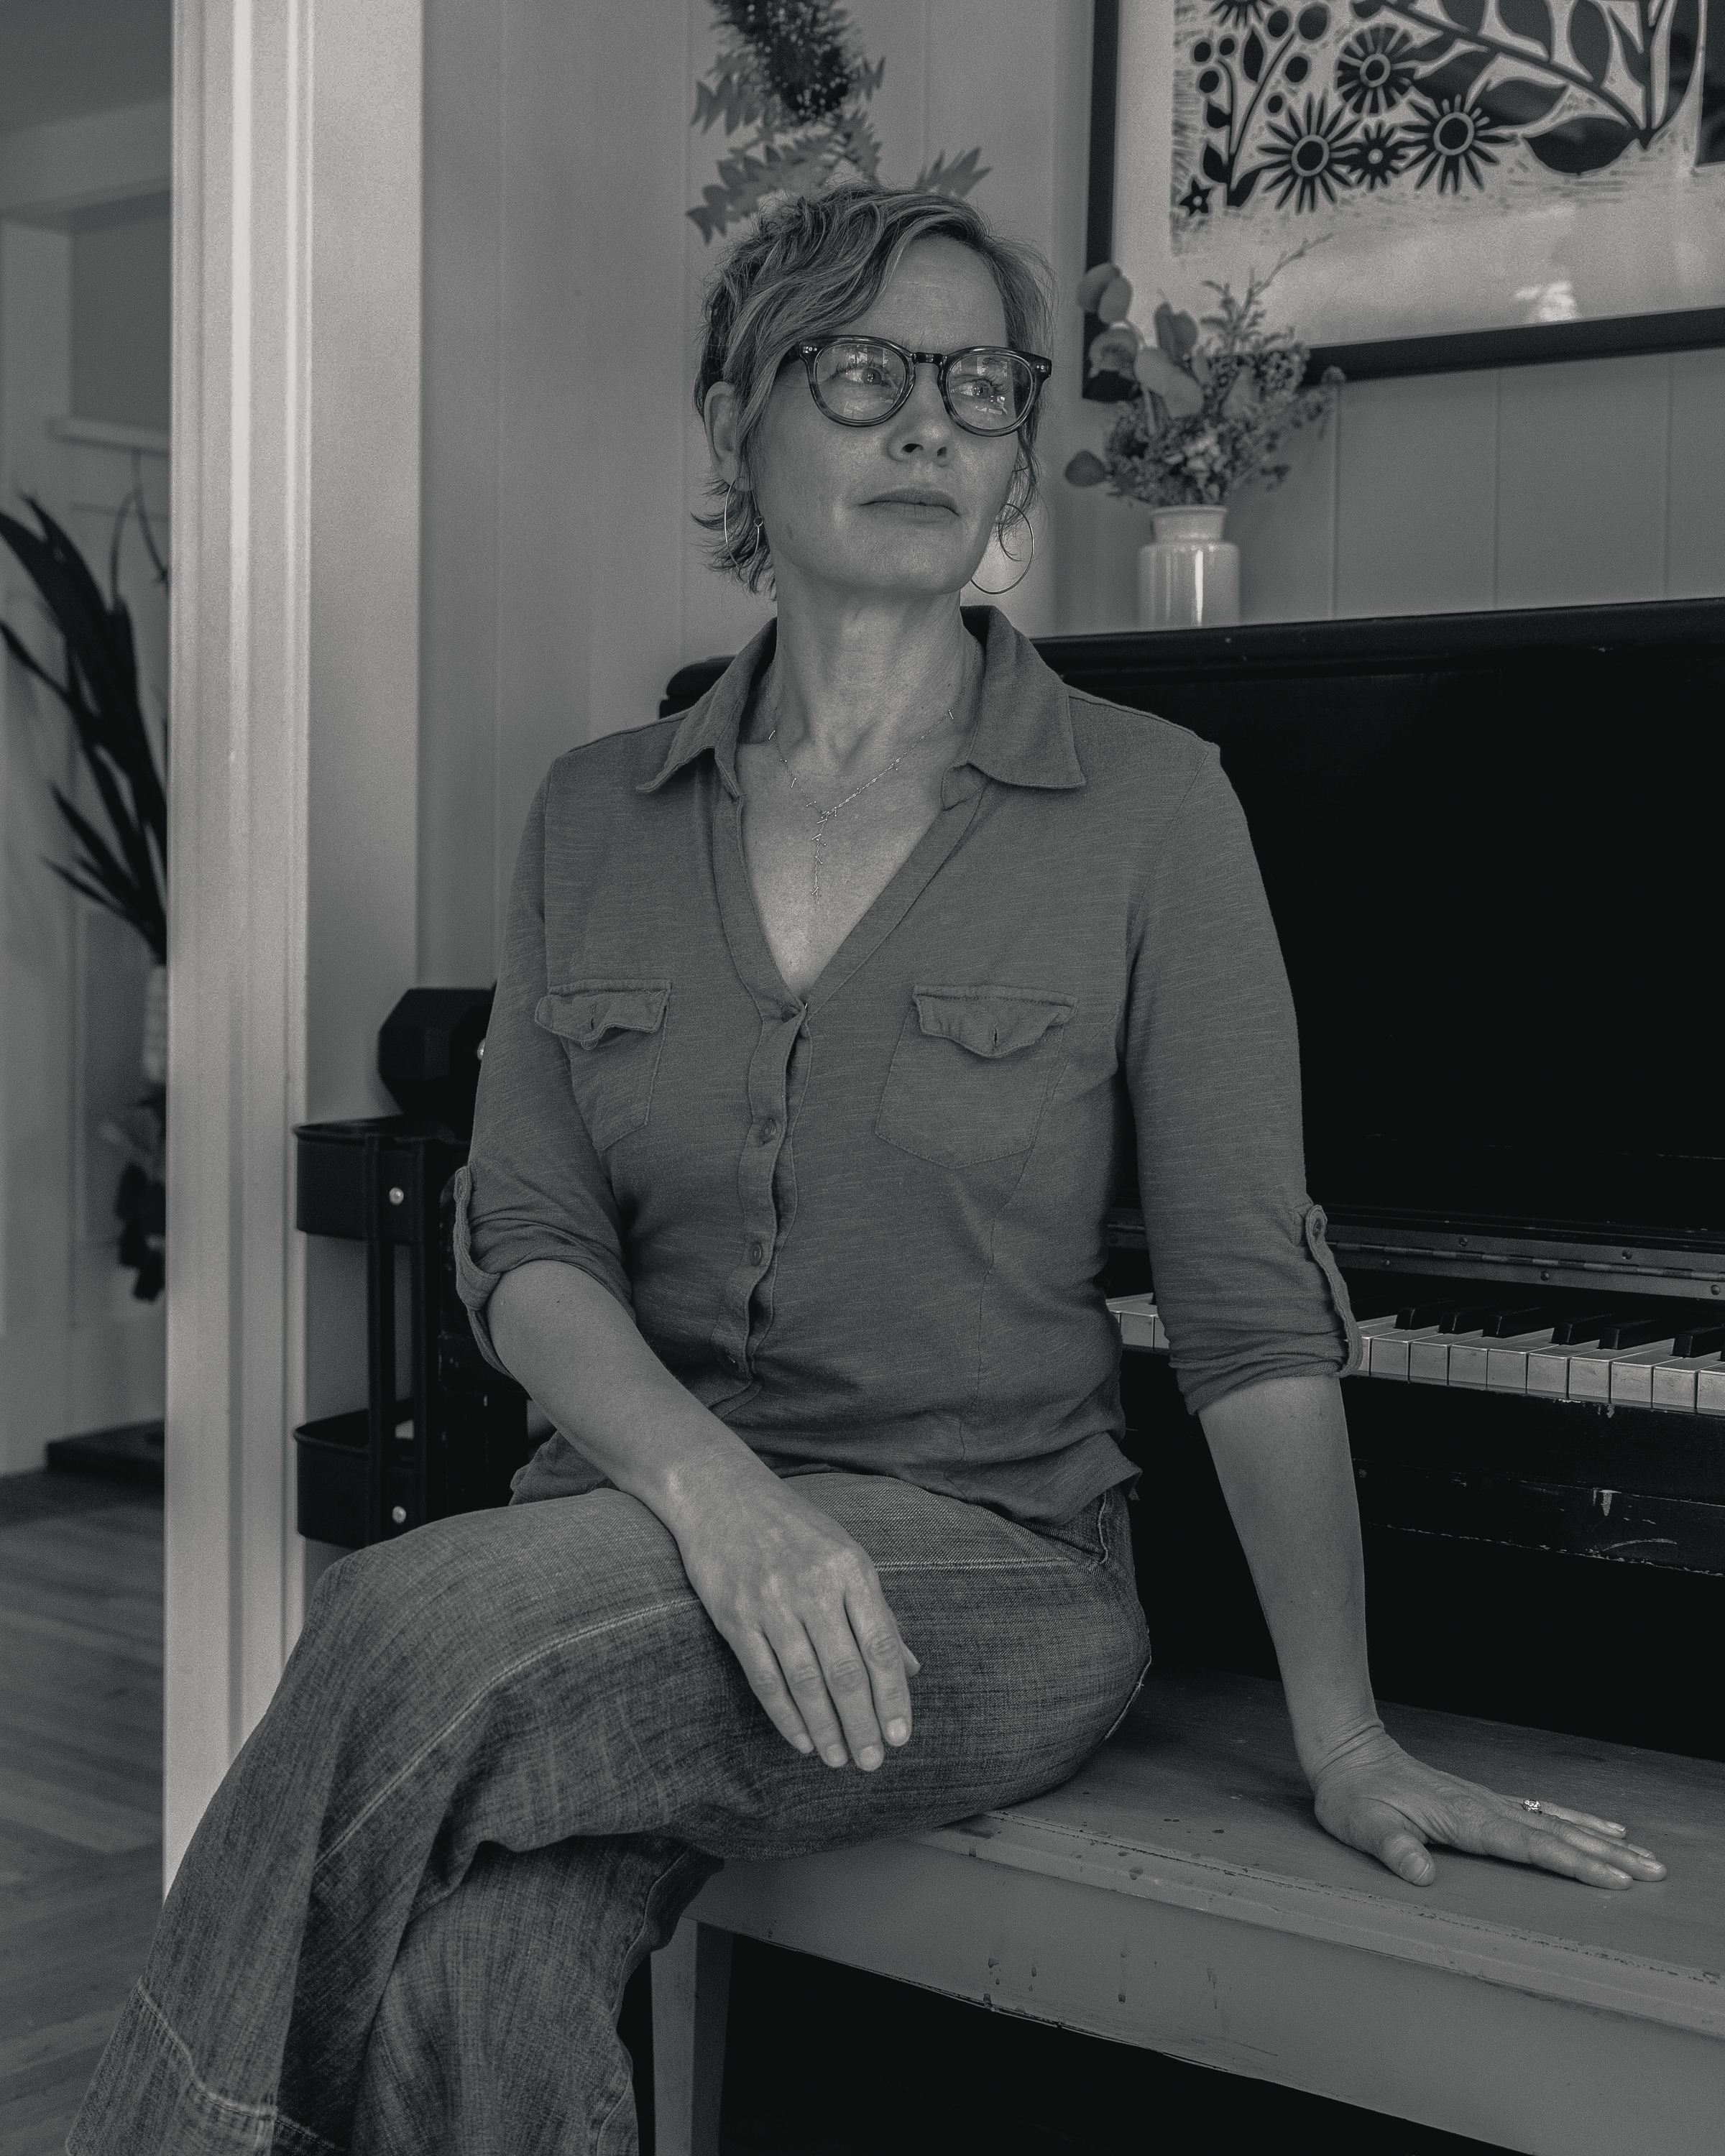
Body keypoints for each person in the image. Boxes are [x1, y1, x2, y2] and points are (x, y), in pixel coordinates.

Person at [73, 182, 1664, 2156]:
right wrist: (724, 1503)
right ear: (739, 418)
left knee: (398, 1620)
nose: (934, 426)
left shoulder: (1159, 813)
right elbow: (532, 1242)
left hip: (989, 1581)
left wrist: (1341, 1739)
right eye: (866, 373)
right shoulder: (595, 816)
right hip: (632, 1538)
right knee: (476, 1966)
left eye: (981, 386)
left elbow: (1255, 1317)